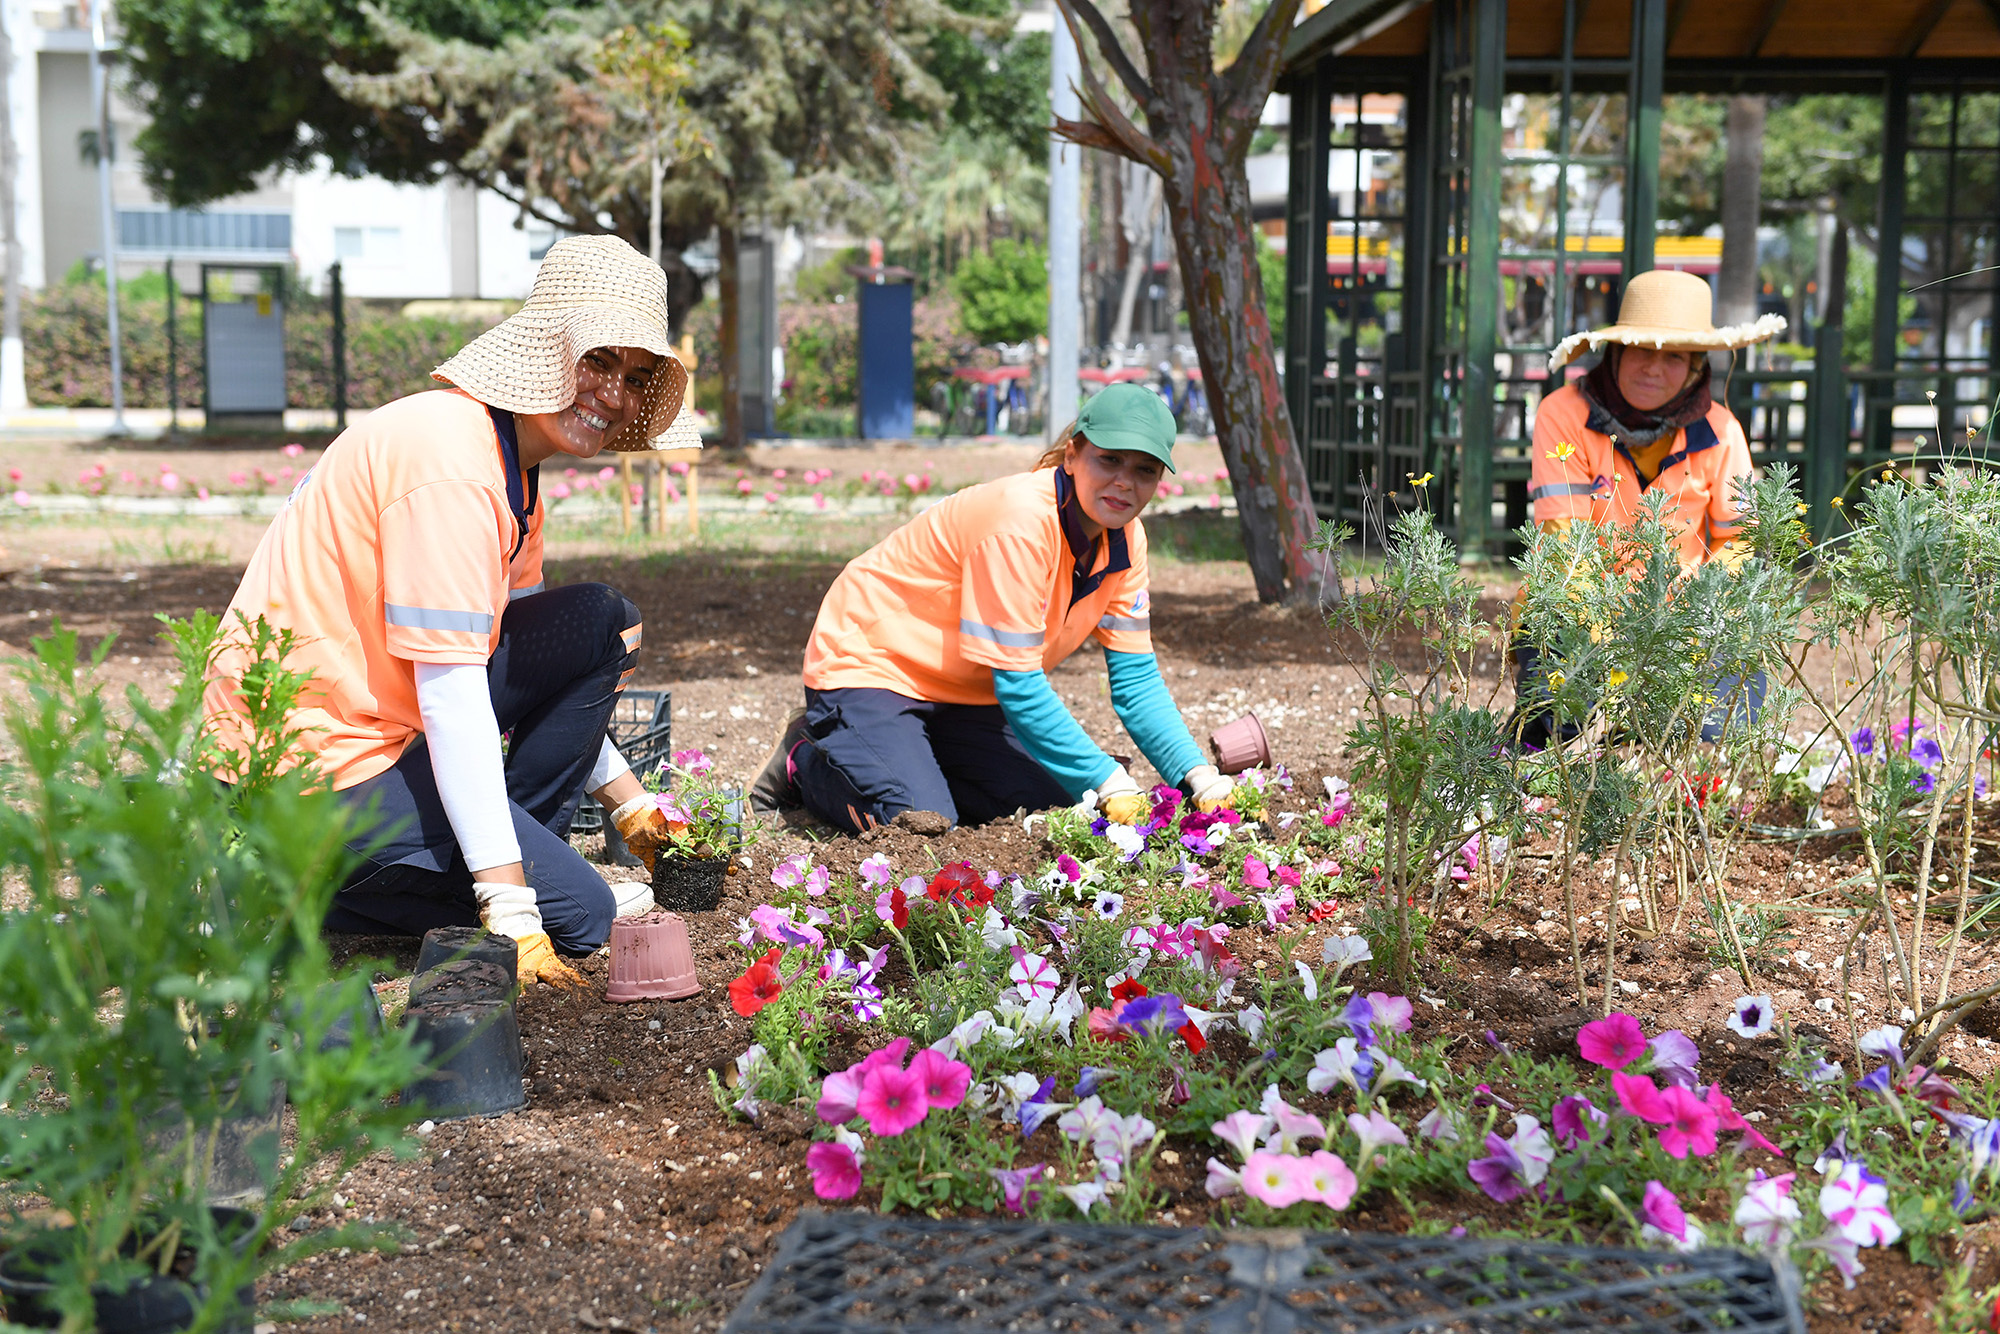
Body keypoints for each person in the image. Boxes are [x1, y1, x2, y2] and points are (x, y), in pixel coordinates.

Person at [202, 236, 697, 986]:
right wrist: (512, 906)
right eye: (598, 360)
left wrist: (632, 807)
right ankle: (302, 879)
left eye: (634, 378)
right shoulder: (453, 465)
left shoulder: (512, 470)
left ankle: (482, 853)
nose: (613, 393)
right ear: (546, 351)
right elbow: (453, 692)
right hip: (310, 763)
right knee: (585, 917)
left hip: (381, 729)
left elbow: (523, 664)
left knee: (600, 623)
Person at [751, 382, 1234, 832]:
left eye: (1145, 470)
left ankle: (903, 759)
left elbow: (1136, 683)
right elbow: (1020, 687)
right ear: (1072, 456)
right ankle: (805, 760)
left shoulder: (1127, 538)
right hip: (872, 667)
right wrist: (1108, 780)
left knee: (1058, 805)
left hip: (964, 691)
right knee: (921, 822)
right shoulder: (1021, 523)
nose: (1125, 482)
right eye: (1109, 460)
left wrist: (1196, 776)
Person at [1512, 267, 1786, 748]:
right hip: (1580, 607)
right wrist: (1612, 637)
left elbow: (1739, 541)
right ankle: (1547, 743)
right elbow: (1562, 543)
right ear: (1615, 352)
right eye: (1641, 349)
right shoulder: (1562, 412)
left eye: (1674, 356)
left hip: (1689, 616)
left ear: (1697, 367)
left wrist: (1689, 618)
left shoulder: (1723, 430)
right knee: (1561, 720)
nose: (1654, 369)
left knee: (1715, 734)